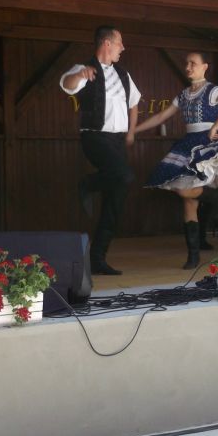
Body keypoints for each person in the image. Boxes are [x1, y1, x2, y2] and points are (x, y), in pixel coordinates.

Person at [132, 52, 218, 269]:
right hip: (189, 144)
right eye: (186, 63)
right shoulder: (183, 95)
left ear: (204, 67)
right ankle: (194, 253)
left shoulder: (213, 90)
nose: (188, 67)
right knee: (186, 195)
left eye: (193, 63)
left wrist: (216, 127)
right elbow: (161, 116)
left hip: (211, 141)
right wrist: (133, 130)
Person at [60, 26, 141, 276]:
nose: (122, 48)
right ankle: (88, 183)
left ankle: (97, 258)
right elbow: (66, 84)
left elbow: (134, 103)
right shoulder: (84, 68)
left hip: (117, 141)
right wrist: (80, 75)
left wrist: (131, 132)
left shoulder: (123, 74)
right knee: (125, 175)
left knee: (115, 200)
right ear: (107, 43)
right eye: (119, 43)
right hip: (95, 137)